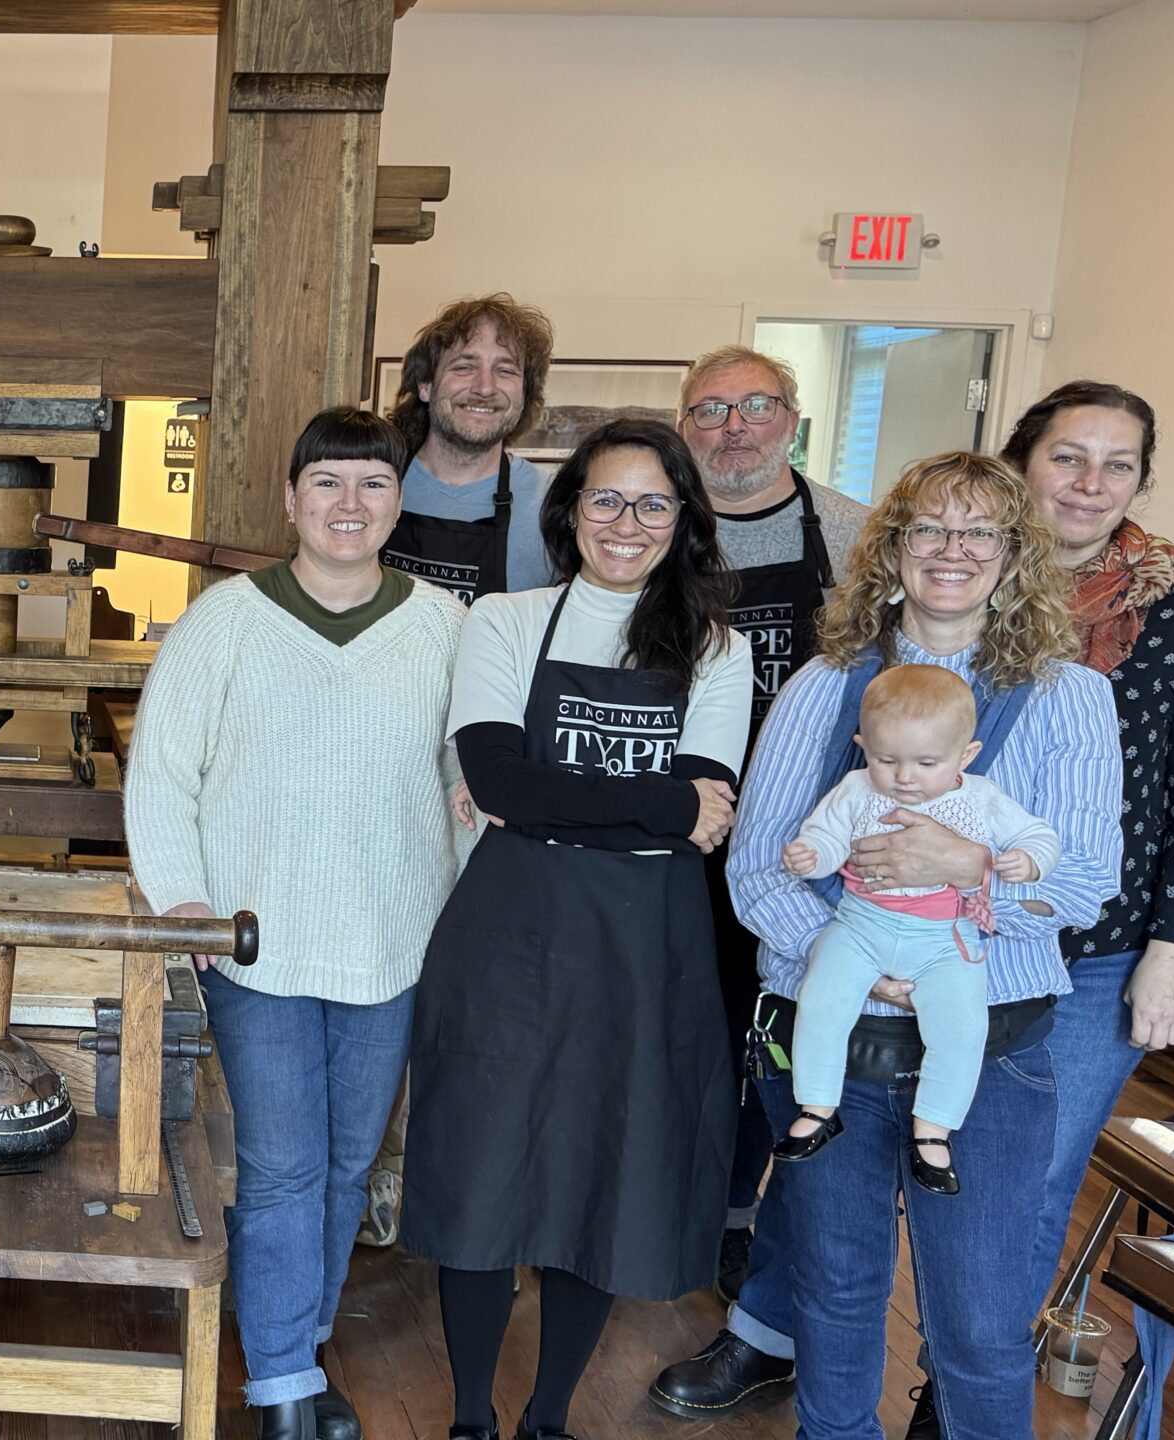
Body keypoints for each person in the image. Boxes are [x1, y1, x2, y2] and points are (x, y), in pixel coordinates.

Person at [719, 452, 1120, 1439]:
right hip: (835, 1046)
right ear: (892, 550)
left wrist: (969, 864)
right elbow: (759, 872)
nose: (952, 550)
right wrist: (859, 956)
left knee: (979, 1329)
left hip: (989, 1051)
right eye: (929, 529)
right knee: (835, 1304)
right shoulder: (822, 685)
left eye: (979, 532)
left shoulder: (1069, 698)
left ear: (1014, 555)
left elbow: (1081, 882)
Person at [406, 418, 752, 1440]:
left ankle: (547, 1418)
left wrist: (560, 799)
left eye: (653, 502)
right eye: (605, 498)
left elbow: (709, 807)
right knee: (479, 1171)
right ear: (571, 510)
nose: (627, 522)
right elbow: (496, 779)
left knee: (604, 1175)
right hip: (510, 930)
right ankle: (471, 1417)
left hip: (644, 947)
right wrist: (654, 805)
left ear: (682, 518)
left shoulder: (715, 650)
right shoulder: (505, 622)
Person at [125, 408, 468, 1440]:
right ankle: (279, 1384)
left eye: (371, 483)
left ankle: (300, 1350)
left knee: (345, 1164)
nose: (348, 504)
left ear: (397, 500)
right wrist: (183, 897)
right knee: (277, 1162)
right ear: (290, 498)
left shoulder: (446, 627)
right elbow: (161, 774)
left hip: (395, 942)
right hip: (251, 940)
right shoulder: (224, 622)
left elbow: (470, 778)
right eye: (326, 483)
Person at [1006, 383, 1174, 1422]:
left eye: (1116, 464)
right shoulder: (957, 584)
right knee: (863, 1157)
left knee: (1033, 1185)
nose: (1089, 485)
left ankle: (962, 1392)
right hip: (937, 933)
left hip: (1092, 957)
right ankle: (786, 1338)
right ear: (1019, 462)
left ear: (1139, 480)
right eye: (1066, 457)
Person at [674, 345, 870, 1321]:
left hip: (804, 848)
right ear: (683, 430)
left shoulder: (853, 533)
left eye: (755, 406)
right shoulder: (654, 527)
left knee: (775, 1043)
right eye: (709, 410)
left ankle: (736, 1220)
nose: (733, 427)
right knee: (677, 1029)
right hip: (675, 832)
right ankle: (662, 1210)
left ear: (791, 420)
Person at [771, 664, 1063, 1195]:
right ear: (864, 747)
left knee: (960, 1027)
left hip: (943, 938)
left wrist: (1028, 859)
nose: (905, 776)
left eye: (927, 763)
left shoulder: (979, 796)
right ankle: (817, 1104)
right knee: (822, 999)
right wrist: (810, 855)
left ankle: (933, 1129)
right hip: (861, 924)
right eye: (887, 759)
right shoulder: (857, 788)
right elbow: (827, 834)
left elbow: (1038, 833)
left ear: (964, 757)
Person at [379, 293, 559, 604]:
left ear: (524, 393)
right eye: (464, 367)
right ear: (425, 385)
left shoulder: (553, 503)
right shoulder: (371, 482)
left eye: (505, 371)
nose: (485, 387)